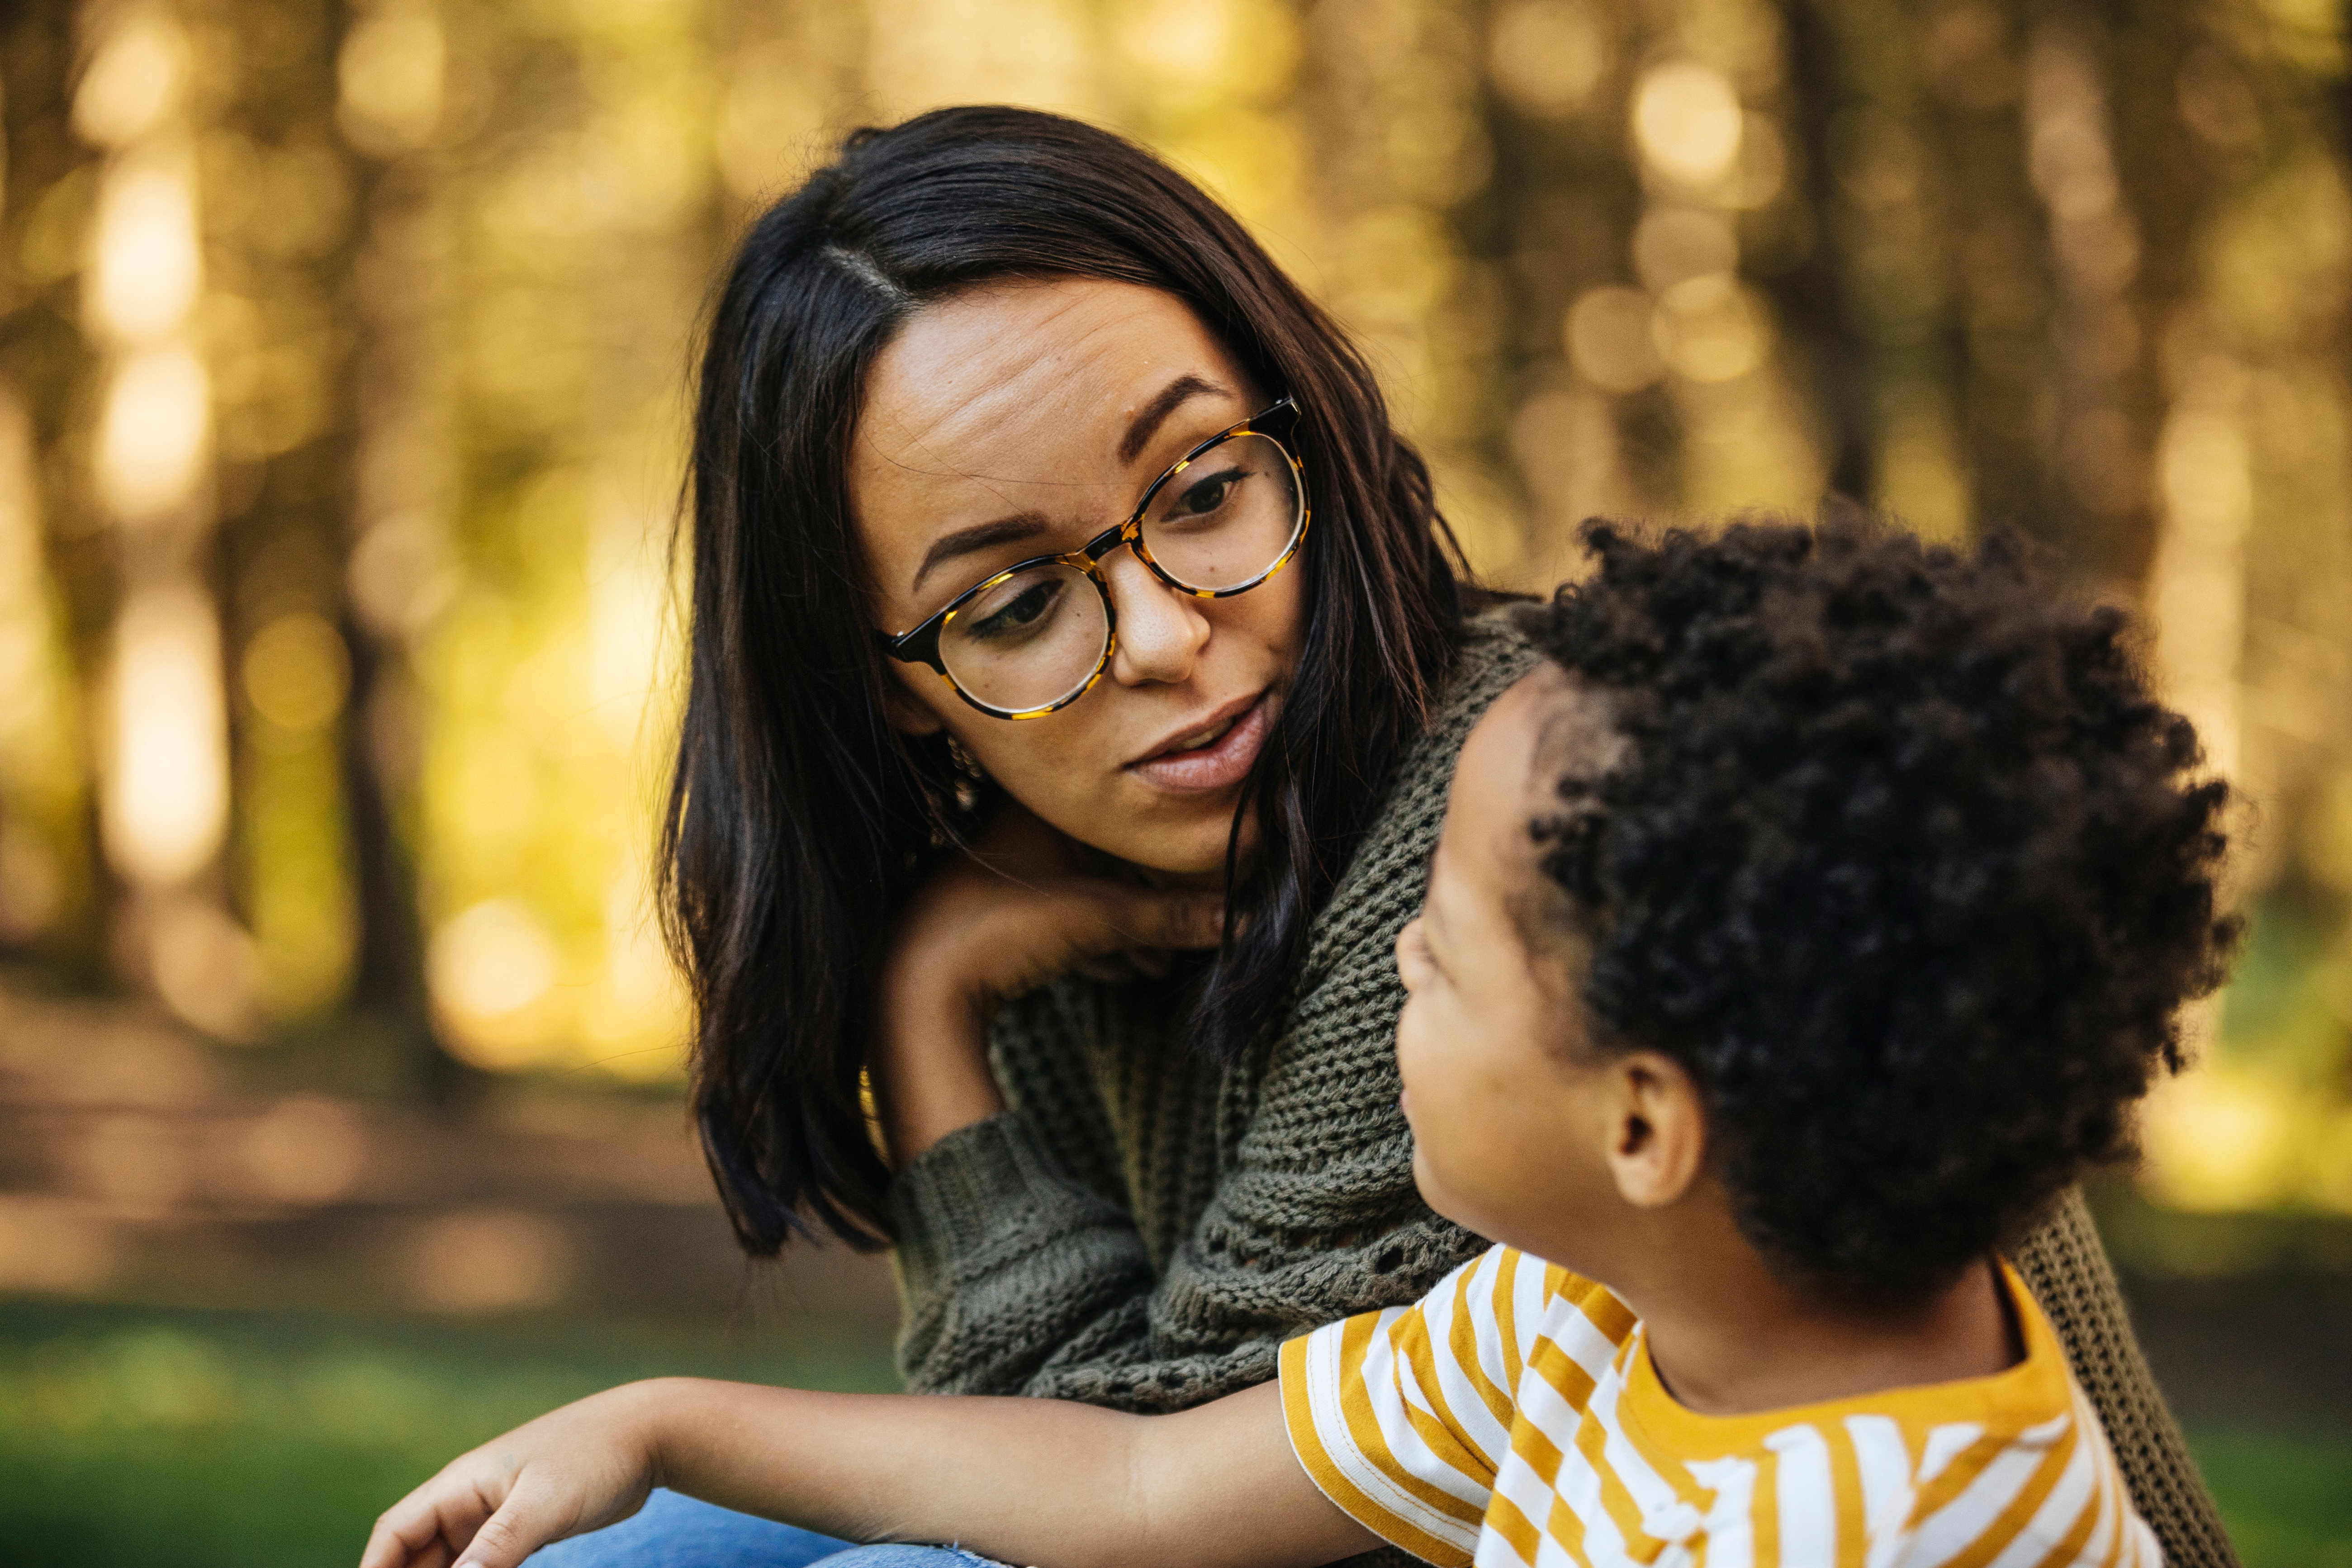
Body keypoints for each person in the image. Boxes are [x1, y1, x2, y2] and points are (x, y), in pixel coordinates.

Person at [537, 106, 2238, 1568]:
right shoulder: (1541, 1318)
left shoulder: (1528, 817)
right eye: (1014, 599)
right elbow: (1122, 1484)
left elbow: (1121, 1514)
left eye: (1204, 489)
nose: (1160, 636)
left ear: (1305, 431)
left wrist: (928, 1015)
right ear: (888, 682)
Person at [366, 517, 2234, 1568]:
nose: (1387, 955)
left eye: (1440, 952)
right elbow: (1148, 1484)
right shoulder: (1589, 1305)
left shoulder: (1860, 1534)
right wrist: (660, 1421)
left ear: (1646, 1124)